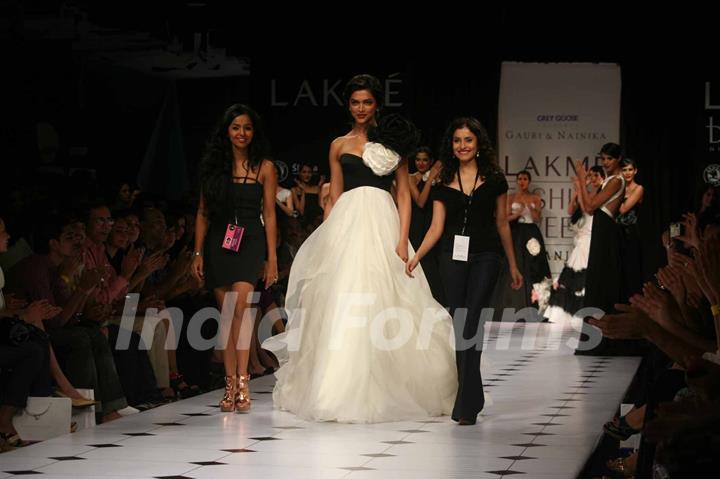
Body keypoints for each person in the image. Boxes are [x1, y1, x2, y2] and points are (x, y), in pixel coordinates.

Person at [268, 74, 456, 423]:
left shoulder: (392, 141)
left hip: (382, 222)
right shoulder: (338, 144)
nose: (360, 108)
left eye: (366, 102)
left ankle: (392, 383)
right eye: (355, 102)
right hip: (347, 223)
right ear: (349, 106)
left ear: (376, 106)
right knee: (343, 297)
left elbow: (402, 192)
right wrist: (329, 234)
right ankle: (335, 386)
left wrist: (402, 238)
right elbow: (335, 193)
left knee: (387, 297)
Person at [406, 117, 523, 425]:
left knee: (472, 320)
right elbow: (436, 226)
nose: (462, 146)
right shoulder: (443, 178)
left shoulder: (495, 179)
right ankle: (471, 393)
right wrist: (416, 255)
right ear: (451, 145)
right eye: (457, 140)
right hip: (451, 257)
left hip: (487, 256)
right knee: (461, 324)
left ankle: (467, 400)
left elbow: (501, 223)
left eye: (468, 140)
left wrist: (512, 264)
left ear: (478, 143)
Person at [191, 104, 278, 413]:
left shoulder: (265, 167)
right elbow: (202, 213)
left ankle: (243, 381)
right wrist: (198, 252)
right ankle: (230, 384)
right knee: (228, 314)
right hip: (219, 241)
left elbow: (269, 212)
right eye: (236, 127)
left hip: (251, 238)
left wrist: (272, 257)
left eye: (247, 127)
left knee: (240, 306)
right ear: (226, 132)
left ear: (255, 132)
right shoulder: (213, 168)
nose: (242, 133)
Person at [573, 143, 630, 355]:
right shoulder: (608, 180)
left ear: (618, 160)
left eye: (609, 159)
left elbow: (589, 206)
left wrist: (581, 178)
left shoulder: (616, 181)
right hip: (602, 231)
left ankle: (606, 339)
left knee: (603, 283)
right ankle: (598, 337)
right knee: (598, 283)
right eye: (603, 158)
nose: (605, 162)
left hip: (607, 233)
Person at [544, 165, 605, 323]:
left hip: (593, 237)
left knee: (585, 271)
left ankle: (586, 312)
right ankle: (566, 312)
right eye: (591, 176)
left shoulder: (602, 194)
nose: (593, 179)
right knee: (574, 271)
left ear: (603, 177)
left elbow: (589, 209)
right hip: (581, 238)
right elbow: (571, 210)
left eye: (596, 175)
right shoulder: (586, 192)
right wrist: (578, 191)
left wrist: (581, 188)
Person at [490, 170, 550, 321]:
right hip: (517, 232)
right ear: (517, 181)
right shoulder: (511, 197)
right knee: (516, 263)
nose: (522, 181)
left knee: (534, 265)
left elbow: (537, 218)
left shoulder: (535, 198)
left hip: (531, 232)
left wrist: (530, 207)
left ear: (529, 181)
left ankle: (536, 303)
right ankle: (514, 304)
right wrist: (516, 215)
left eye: (525, 179)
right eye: (520, 179)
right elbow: (505, 218)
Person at [408, 147, 445, 304]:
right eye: (418, 159)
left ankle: (437, 305)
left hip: (434, 224)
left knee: (434, 268)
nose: (421, 163)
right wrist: (430, 179)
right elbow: (420, 202)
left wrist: (434, 178)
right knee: (420, 264)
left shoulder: (439, 178)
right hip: (416, 226)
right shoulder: (410, 178)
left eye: (424, 160)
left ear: (430, 161)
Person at [617, 158, 645, 297]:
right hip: (616, 233)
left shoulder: (638, 188)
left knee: (631, 270)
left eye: (630, 169)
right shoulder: (618, 188)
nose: (627, 173)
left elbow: (623, 209)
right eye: (624, 170)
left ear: (635, 171)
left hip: (631, 234)